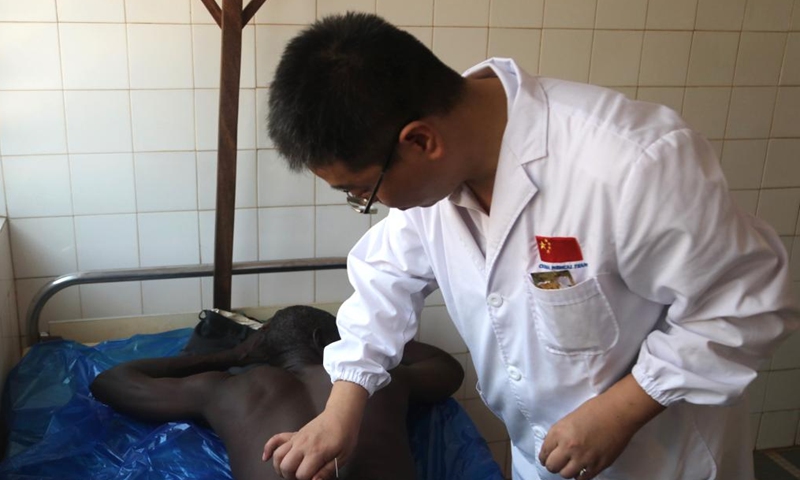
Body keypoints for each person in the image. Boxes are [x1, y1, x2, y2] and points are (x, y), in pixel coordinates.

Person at [262, 12, 800, 480]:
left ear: (421, 140)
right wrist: (342, 408)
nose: (371, 205)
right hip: (540, 457)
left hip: (661, 460)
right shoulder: (433, 193)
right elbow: (385, 279)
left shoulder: (631, 164)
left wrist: (621, 411)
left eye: (363, 190)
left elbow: (749, 304)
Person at [89, 305, 464, 480]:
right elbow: (448, 369)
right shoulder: (378, 379)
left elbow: (111, 382)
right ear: (324, 341)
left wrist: (226, 356)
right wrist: (363, 340)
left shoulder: (227, 389)